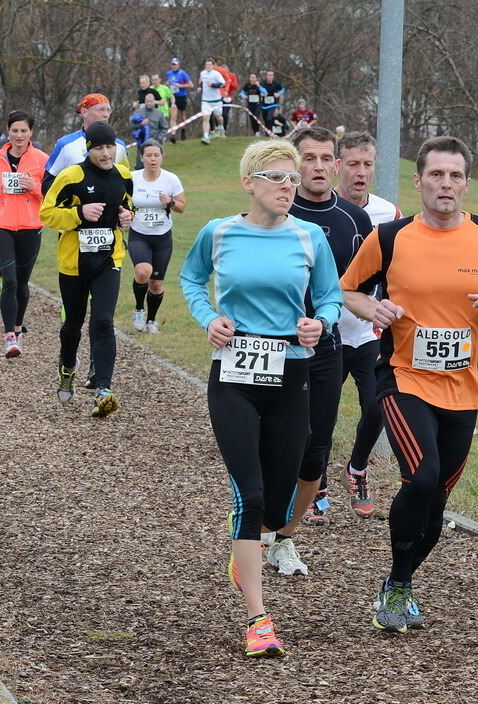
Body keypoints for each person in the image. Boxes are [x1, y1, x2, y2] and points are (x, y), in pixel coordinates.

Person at [340, 136, 478, 632]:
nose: (445, 184)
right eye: (436, 175)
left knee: (437, 499)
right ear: (419, 181)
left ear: (466, 184)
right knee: (422, 477)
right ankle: (400, 585)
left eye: (454, 176)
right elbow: (346, 290)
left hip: (464, 387)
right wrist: (374, 306)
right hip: (404, 379)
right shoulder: (390, 237)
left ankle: (398, 579)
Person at [180, 139, 341, 658]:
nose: (287, 186)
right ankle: (258, 617)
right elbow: (189, 277)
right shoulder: (219, 232)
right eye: (275, 177)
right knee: (247, 494)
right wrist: (210, 320)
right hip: (233, 377)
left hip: (291, 374)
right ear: (249, 183)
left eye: (291, 178)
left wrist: (321, 323)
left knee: (277, 501)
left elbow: (332, 297)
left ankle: (253, 545)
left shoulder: (310, 236)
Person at [261, 126, 372, 578]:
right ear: (295, 164)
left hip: (328, 345)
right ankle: (258, 525)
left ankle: (284, 538)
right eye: (309, 158)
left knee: (315, 448)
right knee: (272, 441)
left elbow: (361, 286)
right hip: (269, 345)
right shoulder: (273, 212)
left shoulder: (354, 221)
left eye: (327, 158)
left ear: (338, 164)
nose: (319, 167)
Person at [39, 121, 134, 417]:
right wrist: (78, 213)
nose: (106, 153)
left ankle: (104, 388)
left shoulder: (123, 174)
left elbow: (127, 205)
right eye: (99, 148)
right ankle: (68, 365)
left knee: (104, 320)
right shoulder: (71, 176)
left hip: (109, 259)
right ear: (89, 149)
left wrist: (127, 216)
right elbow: (46, 213)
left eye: (110, 147)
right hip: (74, 262)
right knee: (73, 325)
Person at [333, 131, 404, 518]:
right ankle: (317, 485)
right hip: (325, 329)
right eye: (354, 164)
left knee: (377, 405)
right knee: (318, 414)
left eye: (368, 164)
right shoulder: (318, 207)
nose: (361, 172)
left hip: (368, 331)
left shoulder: (388, 213)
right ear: (338, 166)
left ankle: (357, 468)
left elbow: (397, 267)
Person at [0, 111, 48, 358]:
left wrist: (36, 187)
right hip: (2, 224)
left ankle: (18, 329)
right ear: (8, 132)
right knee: (9, 279)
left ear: (31, 132)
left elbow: (51, 193)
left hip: (31, 226)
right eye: (15, 131)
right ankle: (9, 336)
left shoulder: (42, 159)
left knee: (21, 281)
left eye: (24, 131)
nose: (19, 136)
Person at [128, 140, 185, 334]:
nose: (153, 159)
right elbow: (121, 200)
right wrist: (125, 213)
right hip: (139, 234)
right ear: (142, 157)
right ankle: (138, 309)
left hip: (162, 237)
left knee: (156, 283)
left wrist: (170, 201)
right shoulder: (132, 178)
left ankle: (151, 321)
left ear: (161, 157)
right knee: (143, 272)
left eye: (156, 155)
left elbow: (182, 207)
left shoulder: (171, 179)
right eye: (149, 155)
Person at [42, 93, 129, 194]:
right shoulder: (65, 144)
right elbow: (47, 184)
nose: (106, 114)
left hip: (110, 207)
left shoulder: (120, 146)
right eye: (101, 110)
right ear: (84, 112)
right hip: (76, 208)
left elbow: (126, 181)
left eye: (108, 110)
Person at [130, 93, 169, 169]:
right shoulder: (138, 112)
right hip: (141, 144)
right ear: (145, 101)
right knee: (139, 166)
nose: (149, 103)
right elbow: (132, 125)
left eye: (151, 101)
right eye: (147, 101)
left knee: (154, 166)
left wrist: (158, 139)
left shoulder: (159, 114)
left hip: (155, 143)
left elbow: (164, 128)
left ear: (154, 101)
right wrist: (141, 124)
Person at [198, 58, 226, 144]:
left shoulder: (216, 74)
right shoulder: (202, 73)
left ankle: (221, 127)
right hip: (206, 100)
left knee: (218, 117)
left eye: (209, 65)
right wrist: (199, 87)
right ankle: (206, 137)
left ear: (213, 66)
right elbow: (202, 82)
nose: (208, 66)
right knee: (205, 117)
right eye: (206, 65)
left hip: (216, 100)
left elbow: (223, 84)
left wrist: (213, 85)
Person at [166, 58, 193, 141]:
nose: (174, 66)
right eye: (172, 65)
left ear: (178, 65)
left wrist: (181, 86)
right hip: (172, 97)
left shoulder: (183, 73)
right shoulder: (168, 73)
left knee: (182, 115)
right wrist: (167, 84)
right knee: (173, 116)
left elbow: (191, 85)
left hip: (181, 96)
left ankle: (183, 130)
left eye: (175, 65)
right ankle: (173, 134)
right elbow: (167, 83)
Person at [219, 63, 240, 135]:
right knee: (218, 114)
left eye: (225, 70)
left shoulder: (232, 75)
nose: (224, 72)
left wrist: (230, 82)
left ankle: (224, 129)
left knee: (225, 114)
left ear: (228, 70)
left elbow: (236, 87)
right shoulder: (219, 76)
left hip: (228, 97)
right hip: (219, 97)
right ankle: (218, 128)